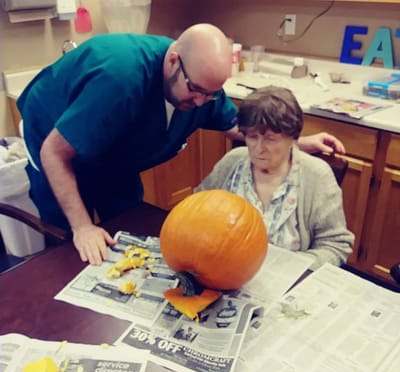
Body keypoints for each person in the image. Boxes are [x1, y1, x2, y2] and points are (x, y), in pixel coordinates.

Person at [17, 23, 345, 265]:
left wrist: (293, 141)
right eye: (196, 90)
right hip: (55, 147)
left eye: (211, 94)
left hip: (115, 158)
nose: (203, 101)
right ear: (173, 61)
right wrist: (83, 227)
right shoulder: (119, 78)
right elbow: (54, 153)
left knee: (128, 230)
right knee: (72, 250)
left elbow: (239, 128)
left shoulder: (203, 89)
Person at [196, 86, 354, 269]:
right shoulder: (233, 162)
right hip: (224, 271)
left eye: (270, 139)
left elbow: (336, 245)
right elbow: (197, 210)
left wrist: (293, 268)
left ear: (293, 138)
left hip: (287, 282)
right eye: (252, 137)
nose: (258, 148)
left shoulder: (317, 175)